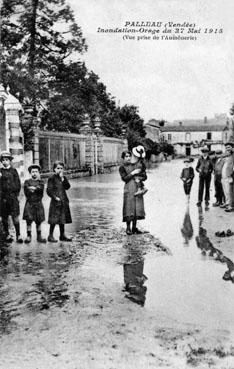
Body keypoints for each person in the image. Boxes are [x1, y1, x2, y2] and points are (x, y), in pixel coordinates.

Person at [119, 150, 147, 235]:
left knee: (136, 207)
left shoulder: (134, 165)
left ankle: (134, 228)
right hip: (128, 188)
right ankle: (128, 228)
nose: (128, 158)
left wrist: (140, 178)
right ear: (123, 158)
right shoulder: (122, 167)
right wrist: (132, 173)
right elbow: (125, 179)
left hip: (137, 187)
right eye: (126, 156)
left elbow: (145, 176)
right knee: (129, 207)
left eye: (129, 156)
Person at [0, 151, 23, 243]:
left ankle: (18, 235)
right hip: (3, 198)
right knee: (4, 217)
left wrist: (16, 195)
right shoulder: (0, 172)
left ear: (10, 161)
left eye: (7, 160)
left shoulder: (14, 171)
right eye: (3, 160)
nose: (5, 162)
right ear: (1, 162)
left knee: (15, 217)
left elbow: (18, 184)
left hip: (13, 198)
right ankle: (8, 234)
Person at [47, 161, 72, 242]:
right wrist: (54, 197)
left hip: (63, 201)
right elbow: (49, 190)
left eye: (61, 168)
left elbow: (67, 187)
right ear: (54, 169)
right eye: (58, 168)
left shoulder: (63, 178)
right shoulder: (51, 178)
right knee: (54, 219)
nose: (60, 170)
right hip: (55, 202)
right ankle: (50, 236)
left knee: (62, 218)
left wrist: (62, 179)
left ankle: (62, 235)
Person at [23, 164, 46, 243]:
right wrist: (34, 189)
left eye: (36, 172)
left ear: (39, 173)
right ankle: (28, 235)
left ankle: (39, 236)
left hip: (38, 203)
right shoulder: (27, 181)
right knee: (28, 221)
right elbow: (26, 190)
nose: (34, 173)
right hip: (29, 203)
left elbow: (41, 190)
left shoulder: (41, 182)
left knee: (38, 221)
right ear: (30, 173)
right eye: (33, 172)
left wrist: (33, 188)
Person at [221, 143, 234, 212]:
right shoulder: (229, 155)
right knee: (229, 191)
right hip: (228, 176)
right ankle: (229, 204)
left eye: (229, 147)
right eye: (226, 148)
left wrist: (231, 176)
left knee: (231, 191)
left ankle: (231, 206)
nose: (227, 149)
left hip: (231, 176)